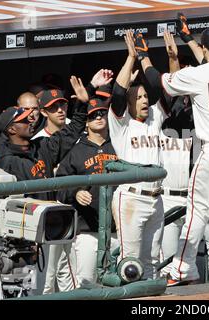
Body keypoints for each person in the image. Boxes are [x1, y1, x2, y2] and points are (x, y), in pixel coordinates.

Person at [136, 27, 209, 287]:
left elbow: (158, 81)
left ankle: (182, 268)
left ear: (205, 47)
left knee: (197, 211)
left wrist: (143, 56)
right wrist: (188, 38)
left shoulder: (196, 75)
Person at [108, 30, 166, 280]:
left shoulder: (154, 117)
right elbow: (118, 93)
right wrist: (131, 57)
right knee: (130, 264)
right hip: (131, 198)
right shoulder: (121, 123)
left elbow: (163, 90)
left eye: (144, 96)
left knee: (152, 260)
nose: (143, 100)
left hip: (156, 198)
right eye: (138, 97)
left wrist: (146, 58)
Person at [56, 98, 119, 287]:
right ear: (86, 122)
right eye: (93, 115)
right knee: (86, 283)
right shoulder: (76, 150)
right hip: (87, 231)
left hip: (117, 230)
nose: (99, 117)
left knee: (119, 284)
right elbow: (60, 186)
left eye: (102, 113)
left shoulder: (118, 143)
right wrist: (75, 192)